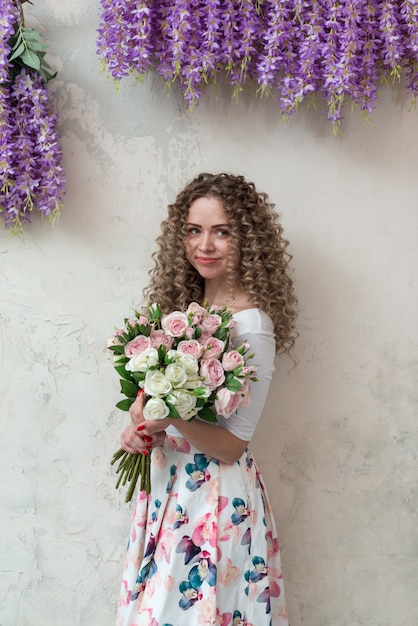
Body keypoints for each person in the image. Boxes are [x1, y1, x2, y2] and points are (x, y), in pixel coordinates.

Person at [115, 172, 297, 626]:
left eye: (222, 231)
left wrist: (167, 418)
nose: (206, 245)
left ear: (247, 239)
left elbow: (233, 445)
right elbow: (156, 406)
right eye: (195, 230)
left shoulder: (251, 325)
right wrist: (138, 426)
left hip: (213, 499)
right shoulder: (183, 312)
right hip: (169, 490)